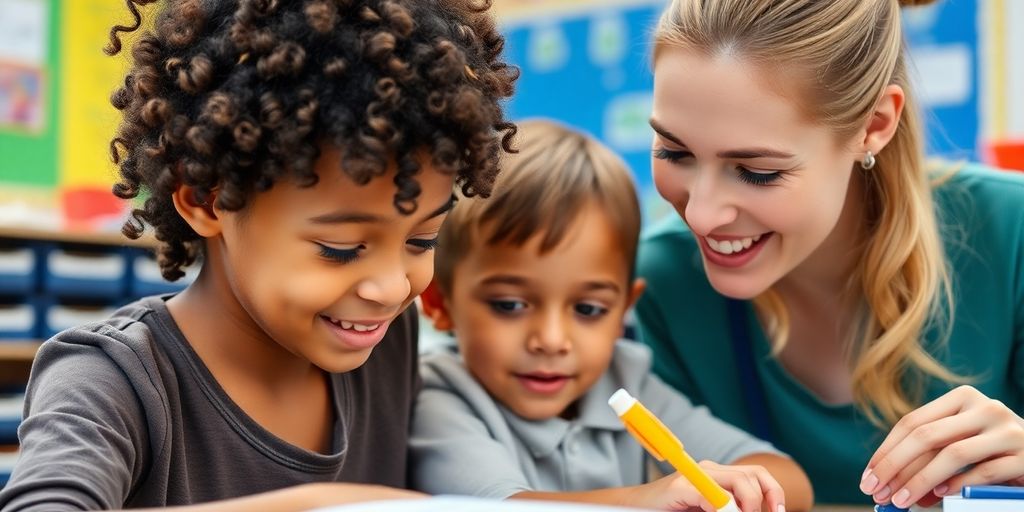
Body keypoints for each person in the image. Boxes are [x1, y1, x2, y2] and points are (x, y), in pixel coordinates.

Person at [0, 0, 516, 510]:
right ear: (206, 199)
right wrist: (310, 504)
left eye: (421, 241)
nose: (391, 288)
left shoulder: (383, 341)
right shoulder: (108, 380)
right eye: (340, 249)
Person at [634, 0, 1024, 507]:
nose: (702, 216)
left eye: (757, 171)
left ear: (875, 125)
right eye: (674, 152)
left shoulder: (1010, 233)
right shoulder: (655, 284)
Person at [411, 119, 814, 512]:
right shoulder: (439, 394)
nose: (552, 340)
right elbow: (495, 507)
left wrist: (742, 492)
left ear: (623, 311)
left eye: (588, 309)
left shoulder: (625, 382)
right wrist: (645, 501)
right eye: (510, 305)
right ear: (439, 304)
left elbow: (788, 480)